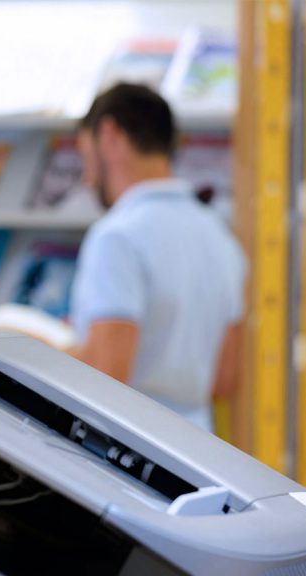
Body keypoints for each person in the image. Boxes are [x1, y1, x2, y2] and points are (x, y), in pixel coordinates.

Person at [69, 82, 246, 431]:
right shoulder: (220, 236)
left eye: (86, 159)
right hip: (197, 445)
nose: (88, 179)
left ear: (109, 134)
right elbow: (225, 379)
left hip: (127, 451)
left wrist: (37, 348)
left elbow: (106, 376)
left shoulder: (117, 236)